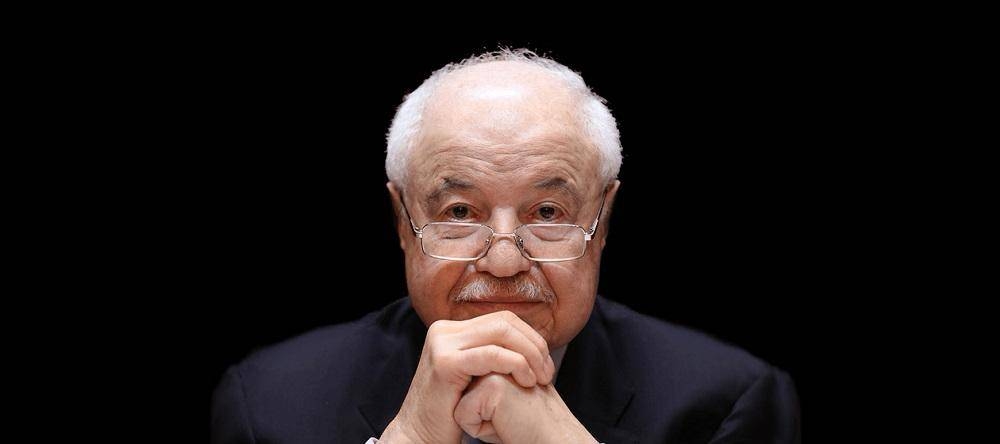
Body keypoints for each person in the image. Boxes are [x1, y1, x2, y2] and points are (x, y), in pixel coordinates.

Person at [211, 49, 801, 444]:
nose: (502, 261)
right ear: (403, 223)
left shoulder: (726, 405)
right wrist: (411, 438)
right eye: (459, 213)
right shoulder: (270, 405)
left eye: (547, 213)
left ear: (602, 222)